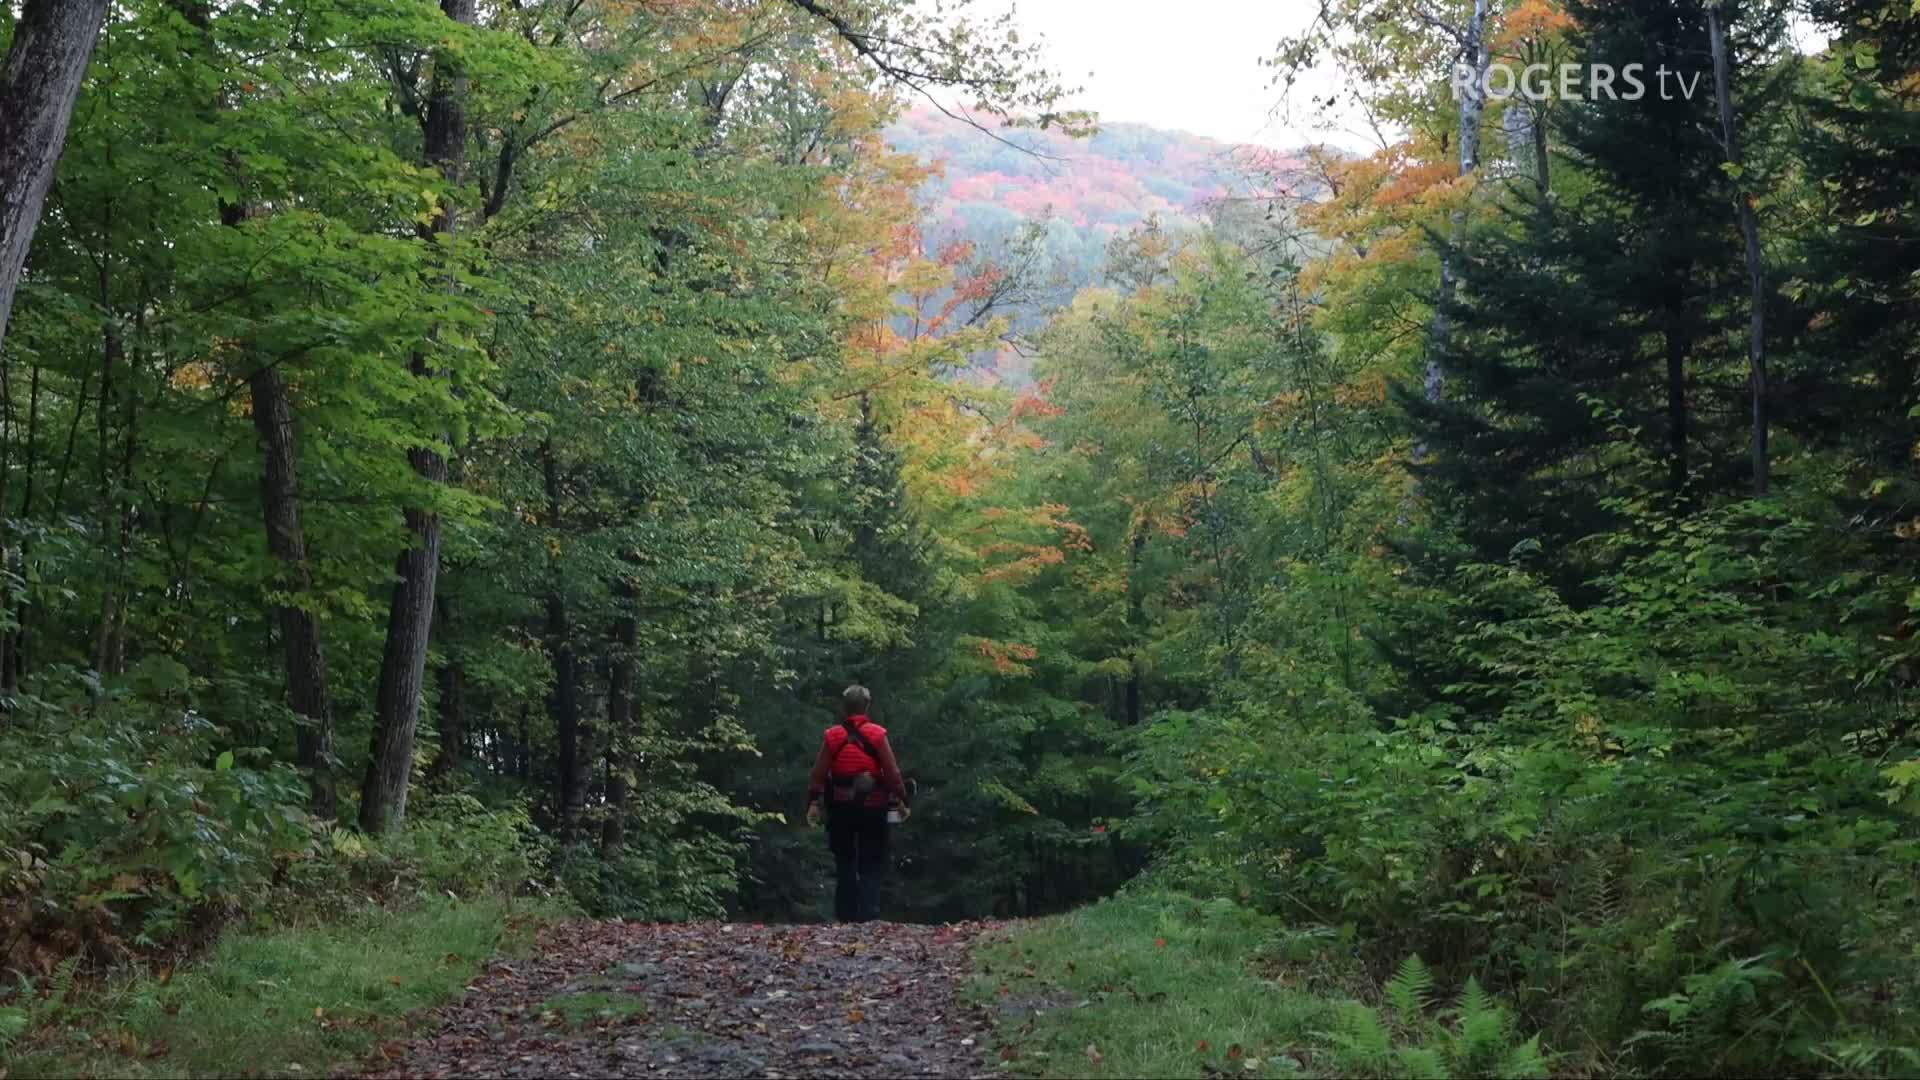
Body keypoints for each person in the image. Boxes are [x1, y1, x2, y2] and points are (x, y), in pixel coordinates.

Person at [805, 684, 908, 922]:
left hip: (841, 806)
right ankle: (869, 913)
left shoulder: (833, 736)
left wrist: (813, 802)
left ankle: (845, 914)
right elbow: (892, 772)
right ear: (867, 706)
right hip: (874, 806)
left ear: (844, 707)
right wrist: (901, 798)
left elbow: (818, 773)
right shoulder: (877, 735)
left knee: (845, 859)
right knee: (871, 859)